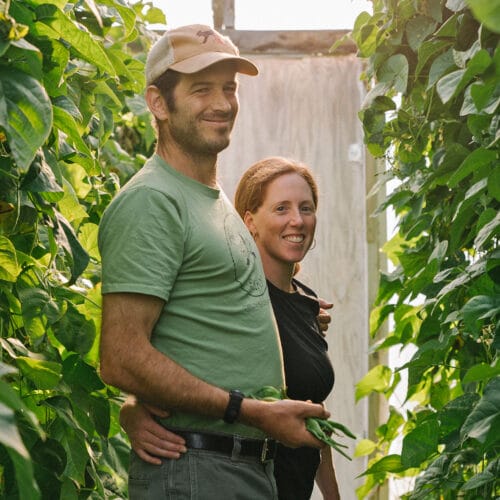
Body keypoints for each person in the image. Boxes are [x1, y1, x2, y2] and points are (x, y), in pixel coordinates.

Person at [98, 24, 329, 499]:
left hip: (237, 468)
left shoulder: (214, 201)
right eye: (201, 88)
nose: (222, 103)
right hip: (196, 467)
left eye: (229, 87)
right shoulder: (152, 201)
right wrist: (246, 410)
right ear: (159, 104)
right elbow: (121, 356)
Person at [120, 157, 341, 499]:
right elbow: (165, 352)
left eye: (306, 208)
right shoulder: (233, 300)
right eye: (281, 208)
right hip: (236, 480)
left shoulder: (307, 304)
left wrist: (332, 495)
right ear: (249, 221)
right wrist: (132, 406)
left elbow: (312, 418)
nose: (297, 220)